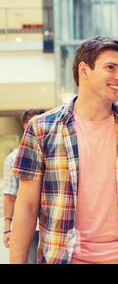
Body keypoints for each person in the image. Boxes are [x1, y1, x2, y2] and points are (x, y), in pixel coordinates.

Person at [9, 36, 118, 264]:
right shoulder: (41, 129)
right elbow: (27, 206)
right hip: (63, 258)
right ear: (84, 70)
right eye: (111, 68)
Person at [3, 108, 45, 264]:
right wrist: (8, 228)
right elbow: (10, 193)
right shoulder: (13, 158)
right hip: (29, 229)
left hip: (53, 227)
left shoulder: (55, 152)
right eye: (33, 122)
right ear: (25, 125)